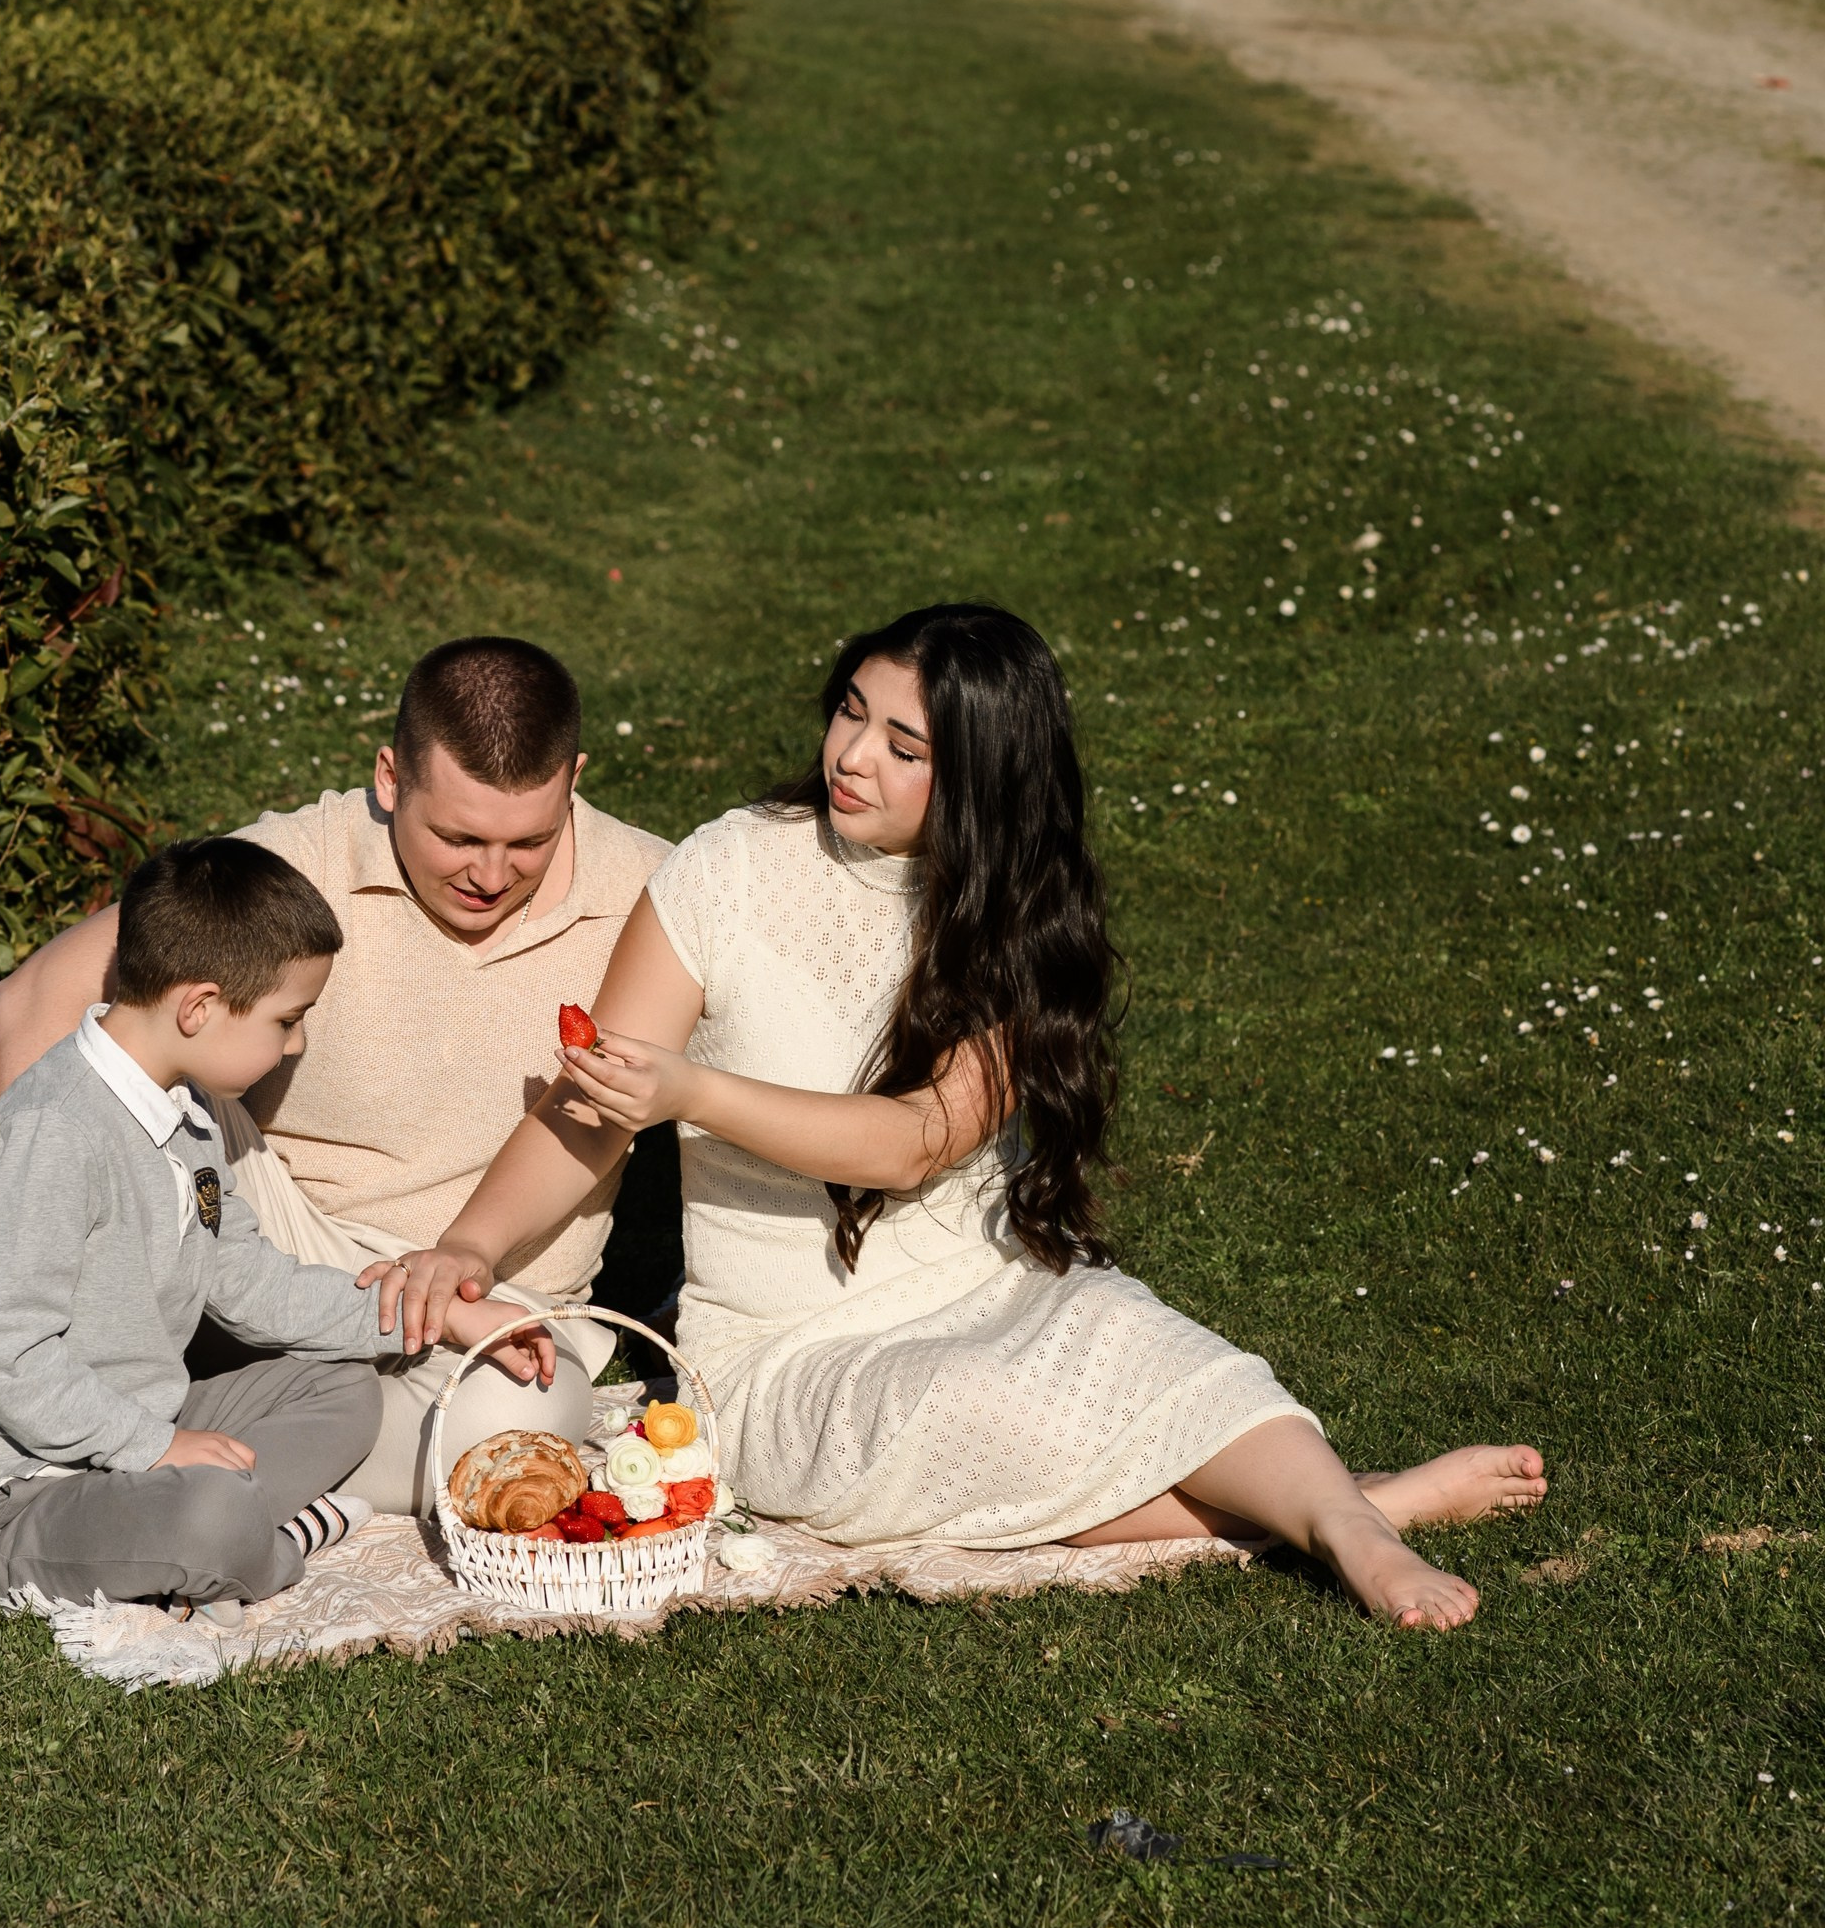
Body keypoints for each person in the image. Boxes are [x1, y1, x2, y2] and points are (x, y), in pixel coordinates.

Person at [367, 603, 1550, 1632]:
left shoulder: (1013, 926)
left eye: (902, 743)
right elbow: (593, 1110)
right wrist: (470, 1246)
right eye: (850, 712)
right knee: (967, 1407)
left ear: (982, 775)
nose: (851, 756)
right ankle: (1354, 1502)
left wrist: (695, 1093)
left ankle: (1351, 1526)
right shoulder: (725, 871)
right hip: (784, 1342)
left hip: (981, 1279)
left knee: (1148, 1348)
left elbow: (916, 1142)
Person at [0, 635, 668, 1521]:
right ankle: (59, 1414)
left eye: (528, 841)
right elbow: (34, 1001)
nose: (489, 875)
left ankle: (160, 1431)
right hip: (276, 1228)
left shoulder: (652, 889)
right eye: (457, 837)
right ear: (390, 779)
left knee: (529, 1420)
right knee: (172, 1103)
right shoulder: (301, 859)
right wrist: (24, 1251)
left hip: (490, 1293)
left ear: (576, 781)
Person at [0, 831, 547, 1614]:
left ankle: (215, 1527)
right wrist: (159, 1450)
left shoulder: (190, 1114)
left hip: (138, 1433)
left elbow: (246, 1279)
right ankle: (262, 1540)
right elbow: (1, 1353)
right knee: (205, 1516)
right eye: (287, 1020)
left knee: (344, 1391)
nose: (297, 1042)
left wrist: (442, 1316)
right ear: (200, 1007)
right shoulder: (52, 1133)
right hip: (9, 1496)